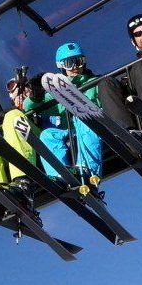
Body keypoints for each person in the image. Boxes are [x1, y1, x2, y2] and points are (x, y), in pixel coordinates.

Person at [22, 42, 109, 186]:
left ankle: (88, 170)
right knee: (47, 134)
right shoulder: (57, 89)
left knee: (83, 118)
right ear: (61, 66)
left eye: (78, 61)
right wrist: (35, 96)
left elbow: (105, 103)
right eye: (69, 63)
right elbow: (30, 107)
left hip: (90, 127)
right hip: (69, 130)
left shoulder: (95, 83)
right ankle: (59, 175)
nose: (75, 67)